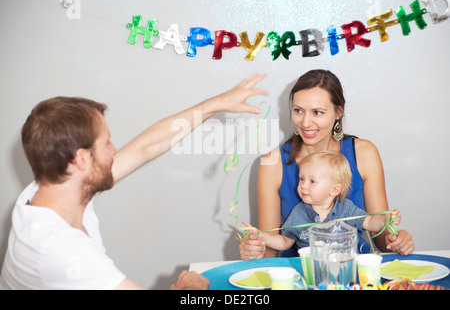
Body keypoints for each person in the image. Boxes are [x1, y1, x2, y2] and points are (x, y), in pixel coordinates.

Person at [0, 74, 268, 290]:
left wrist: (217, 103)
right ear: (81, 159)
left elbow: (145, 148)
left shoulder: (53, 186)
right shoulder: (61, 249)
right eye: (106, 143)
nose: (114, 150)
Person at [239, 69, 414, 260]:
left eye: (317, 112)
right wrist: (256, 249)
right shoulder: (271, 163)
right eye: (298, 110)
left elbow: (380, 239)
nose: (305, 122)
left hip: (353, 271)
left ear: (338, 112)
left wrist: (394, 239)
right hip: (299, 273)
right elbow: (270, 252)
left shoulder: (364, 153)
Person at [243, 151, 401, 253]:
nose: (303, 185)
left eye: (312, 181)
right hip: (312, 274)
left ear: (334, 190)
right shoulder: (299, 212)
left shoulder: (346, 208)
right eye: (302, 179)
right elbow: (284, 242)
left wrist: (386, 220)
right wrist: (263, 237)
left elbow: (371, 222)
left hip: (347, 271)